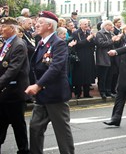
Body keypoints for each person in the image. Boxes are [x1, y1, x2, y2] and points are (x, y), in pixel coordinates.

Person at [25, 11, 74, 154]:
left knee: (62, 132)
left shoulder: (58, 44)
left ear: (49, 26)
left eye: (40, 22)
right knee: (35, 127)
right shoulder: (41, 43)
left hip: (55, 95)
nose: (36, 24)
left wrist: (37, 85)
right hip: (42, 95)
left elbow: (55, 68)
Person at [0, 17, 30, 154]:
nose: (1, 29)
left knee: (18, 126)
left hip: (14, 93)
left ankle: (23, 151)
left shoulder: (18, 45)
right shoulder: (5, 44)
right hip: (4, 93)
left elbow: (13, 70)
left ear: (12, 29)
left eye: (3, 27)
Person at [71, 19, 95, 99]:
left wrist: (92, 38)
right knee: (79, 75)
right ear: (80, 25)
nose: (86, 25)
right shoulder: (75, 33)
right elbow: (76, 44)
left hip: (88, 56)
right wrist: (87, 40)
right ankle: (78, 93)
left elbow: (93, 44)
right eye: (85, 24)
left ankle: (86, 93)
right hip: (80, 56)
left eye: (87, 24)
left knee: (88, 74)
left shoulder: (88, 33)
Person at [95, 20, 119, 99]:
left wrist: (117, 40)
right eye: (111, 26)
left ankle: (108, 91)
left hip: (111, 57)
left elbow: (114, 44)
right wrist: (112, 40)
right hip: (103, 57)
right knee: (103, 76)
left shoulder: (111, 33)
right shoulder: (99, 33)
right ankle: (102, 92)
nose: (112, 28)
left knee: (110, 76)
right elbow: (101, 44)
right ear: (106, 26)